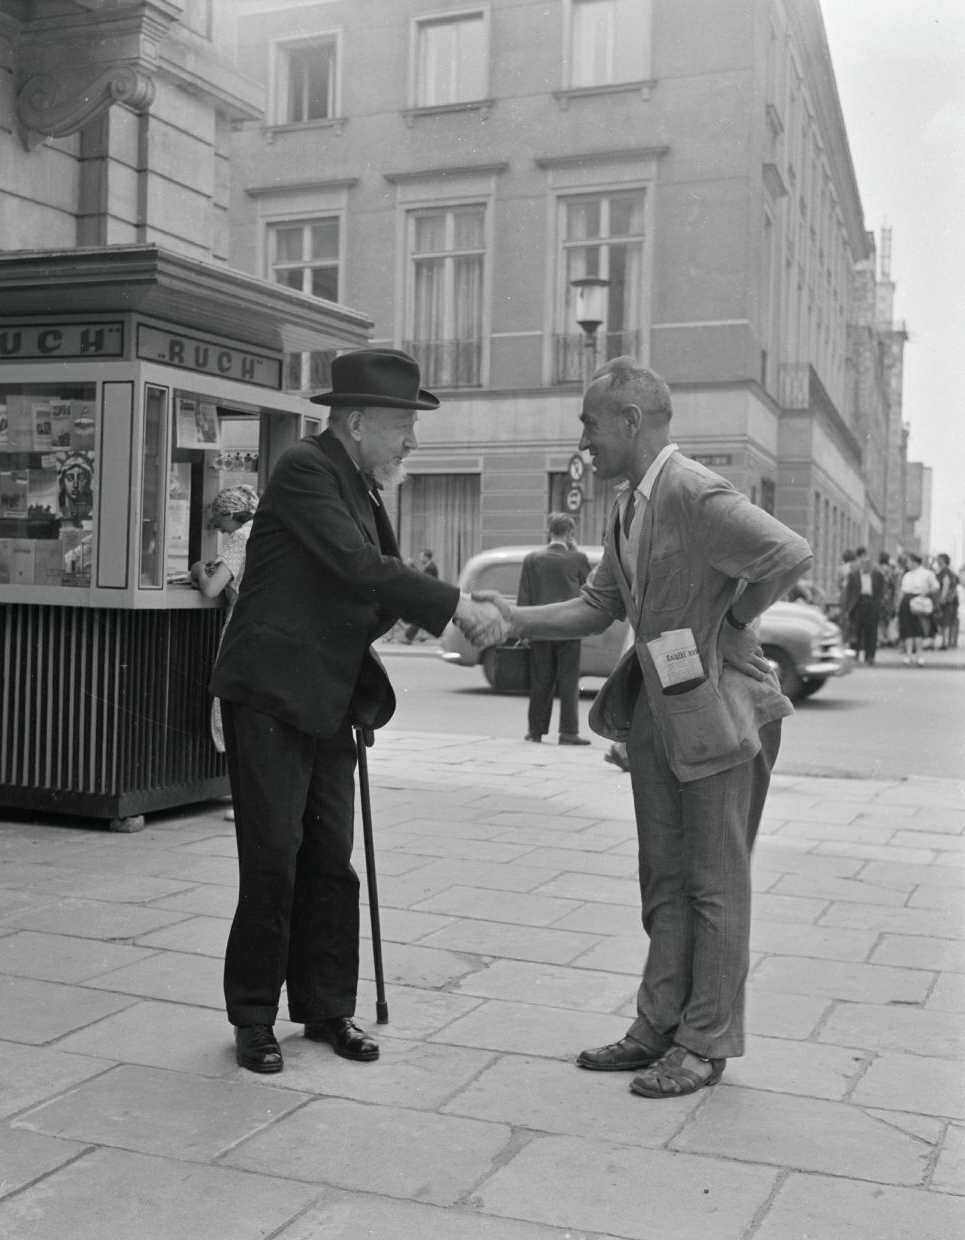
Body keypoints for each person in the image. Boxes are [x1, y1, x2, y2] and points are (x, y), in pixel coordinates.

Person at [463, 357, 812, 1098]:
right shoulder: (627, 505)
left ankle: (704, 1044)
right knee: (663, 879)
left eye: (590, 423)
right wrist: (512, 619)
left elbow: (786, 553)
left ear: (630, 418)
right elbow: (597, 607)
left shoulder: (691, 489)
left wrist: (731, 621)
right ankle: (657, 1025)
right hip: (661, 712)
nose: (583, 439)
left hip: (721, 713)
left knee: (714, 885)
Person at [209, 348, 500, 1075]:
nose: (412, 442)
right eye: (404, 425)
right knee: (272, 863)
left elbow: (372, 590)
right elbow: (360, 569)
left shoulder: (365, 488)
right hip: (272, 696)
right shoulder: (306, 469)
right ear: (360, 421)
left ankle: (326, 1006)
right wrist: (459, 606)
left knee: (330, 863)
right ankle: (253, 1016)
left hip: (329, 699)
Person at [190, 485, 260, 794]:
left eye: (220, 519)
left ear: (233, 514)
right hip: (264, 625)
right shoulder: (264, 531)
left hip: (241, 626)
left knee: (231, 703)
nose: (218, 526)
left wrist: (198, 572)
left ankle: (240, 793)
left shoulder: (241, 538)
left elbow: (211, 589)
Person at [517, 513, 593, 744]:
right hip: (569, 630)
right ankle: (568, 732)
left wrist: (524, 632)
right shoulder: (577, 558)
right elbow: (591, 589)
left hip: (540, 630)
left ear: (549, 531)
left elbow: (524, 598)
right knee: (568, 682)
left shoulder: (532, 559)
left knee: (541, 682)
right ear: (570, 533)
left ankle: (535, 732)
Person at [843, 549, 885, 664]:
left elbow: (881, 591)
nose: (867, 567)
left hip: (871, 604)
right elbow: (849, 592)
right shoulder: (853, 575)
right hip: (858, 604)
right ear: (861, 565)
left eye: (869, 565)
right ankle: (854, 655)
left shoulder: (877, 575)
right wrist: (847, 609)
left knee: (871, 632)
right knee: (855, 631)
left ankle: (870, 656)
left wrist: (878, 605)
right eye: (864, 564)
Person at [897, 553, 939, 666]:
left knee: (919, 629)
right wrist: (898, 604)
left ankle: (919, 655)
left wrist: (926, 592)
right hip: (906, 600)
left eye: (908, 561)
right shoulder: (907, 575)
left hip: (919, 601)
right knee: (907, 629)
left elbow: (935, 586)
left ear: (914, 561)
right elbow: (902, 591)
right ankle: (908, 655)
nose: (907, 564)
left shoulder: (927, 573)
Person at [401, 549, 441, 643]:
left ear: (427, 557)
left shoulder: (431, 568)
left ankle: (408, 637)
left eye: (421, 556)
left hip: (429, 597)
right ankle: (417, 636)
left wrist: (412, 565)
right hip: (429, 596)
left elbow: (422, 579)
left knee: (420, 617)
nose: (420, 558)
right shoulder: (430, 566)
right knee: (422, 617)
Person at [933, 554, 959, 649]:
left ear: (943, 560)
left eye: (939, 560)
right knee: (945, 622)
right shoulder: (950, 571)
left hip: (945, 601)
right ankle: (945, 642)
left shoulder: (945, 572)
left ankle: (944, 643)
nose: (937, 561)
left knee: (944, 622)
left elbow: (946, 584)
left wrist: (942, 599)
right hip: (950, 600)